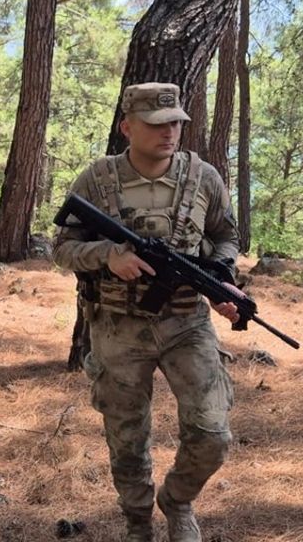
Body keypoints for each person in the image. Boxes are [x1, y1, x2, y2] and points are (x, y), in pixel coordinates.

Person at [52, 82, 243, 542]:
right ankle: (137, 521)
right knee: (127, 437)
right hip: (118, 327)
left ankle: (177, 502)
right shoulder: (96, 180)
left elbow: (226, 237)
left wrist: (221, 280)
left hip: (187, 322)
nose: (169, 132)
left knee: (212, 432)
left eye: (176, 122)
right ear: (127, 127)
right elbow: (61, 247)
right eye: (157, 124)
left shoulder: (204, 178)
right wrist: (107, 256)